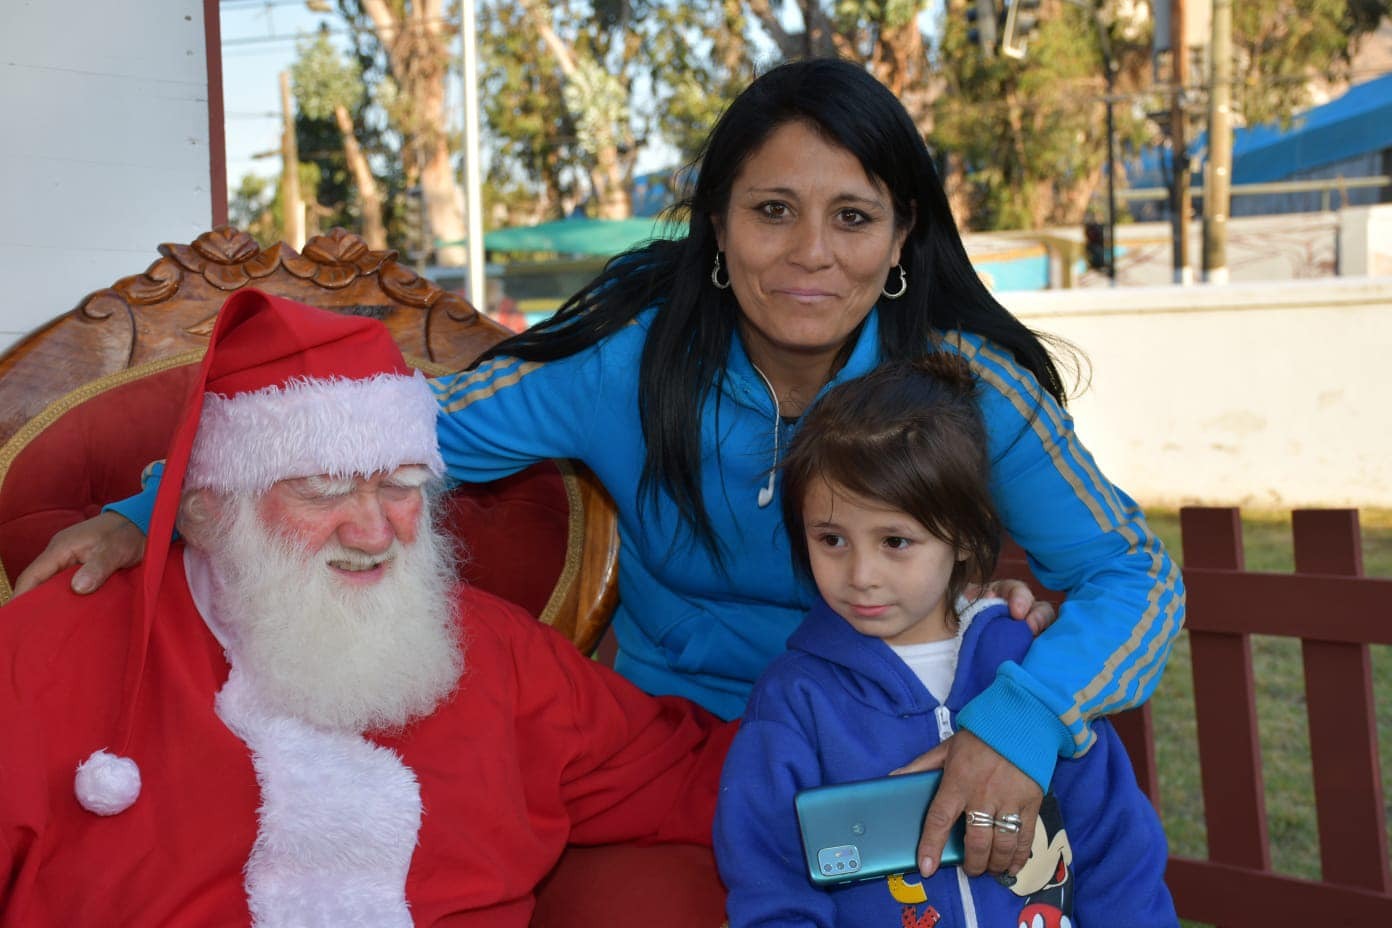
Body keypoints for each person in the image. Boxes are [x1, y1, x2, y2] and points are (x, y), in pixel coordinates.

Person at [13, 57, 1184, 879]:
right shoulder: (635, 355)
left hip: (910, 748)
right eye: (773, 210)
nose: (812, 255)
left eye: (854, 216)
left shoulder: (966, 387)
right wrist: (147, 508)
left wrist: (1023, 719)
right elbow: (395, 428)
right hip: (688, 751)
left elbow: (1141, 579)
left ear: (902, 237)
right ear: (717, 224)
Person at [0, 291, 732, 926]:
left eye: (402, 485)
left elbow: (693, 777)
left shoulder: (497, 651)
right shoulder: (44, 654)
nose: (373, 532)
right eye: (320, 492)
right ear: (209, 511)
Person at [715, 359, 1176, 927]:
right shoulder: (793, 700)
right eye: (831, 538)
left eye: (895, 541)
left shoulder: (1033, 671)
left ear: (962, 536)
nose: (861, 573)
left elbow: (1118, 859)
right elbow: (771, 885)